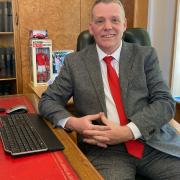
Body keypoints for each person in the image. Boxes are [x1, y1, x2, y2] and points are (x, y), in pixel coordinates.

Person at [39, 0, 180, 179]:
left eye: (114, 20)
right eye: (100, 21)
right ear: (91, 28)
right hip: (105, 150)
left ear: (124, 24)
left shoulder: (146, 56)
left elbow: (165, 103)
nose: (108, 27)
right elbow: (47, 101)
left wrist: (128, 131)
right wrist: (73, 123)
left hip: (152, 143)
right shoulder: (75, 63)